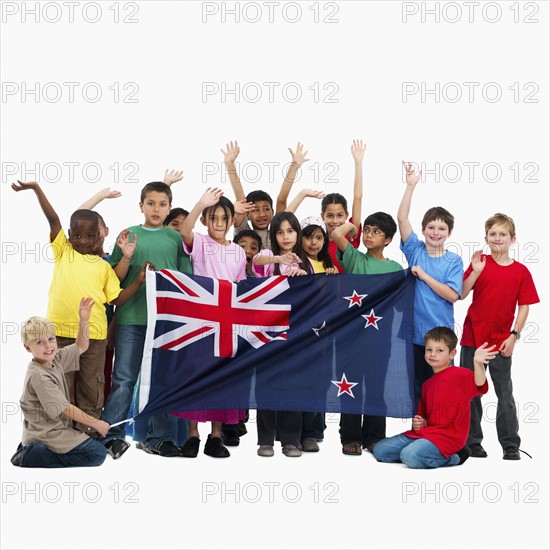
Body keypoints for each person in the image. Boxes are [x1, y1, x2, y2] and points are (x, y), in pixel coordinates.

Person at [11, 181, 144, 435]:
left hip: (94, 337)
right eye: (78, 235)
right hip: (59, 335)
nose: (83, 240)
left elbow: (115, 299)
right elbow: (53, 219)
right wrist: (36, 189)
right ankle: (60, 433)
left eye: (89, 236)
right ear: (70, 235)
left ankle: (89, 433)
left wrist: (137, 282)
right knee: (61, 385)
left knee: (91, 387)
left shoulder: (103, 266)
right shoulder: (63, 252)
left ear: (98, 238)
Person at [100, 181, 192, 459]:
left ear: (169, 207)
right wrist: (128, 260)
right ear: (141, 206)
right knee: (124, 379)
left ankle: (158, 437)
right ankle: (111, 435)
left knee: (159, 381)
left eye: (162, 204)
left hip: (165, 322)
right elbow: (113, 279)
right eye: (151, 203)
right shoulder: (129, 234)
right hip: (131, 319)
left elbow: (186, 279)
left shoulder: (175, 239)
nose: (156, 208)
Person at [175, 187, 247, 458]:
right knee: (196, 375)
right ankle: (192, 435)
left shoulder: (239, 253)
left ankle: (215, 437)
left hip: (227, 323)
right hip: (199, 320)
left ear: (231, 221)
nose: (218, 223)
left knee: (221, 377)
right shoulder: (201, 243)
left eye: (224, 218)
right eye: (213, 217)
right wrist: (200, 203)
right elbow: (184, 230)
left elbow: (240, 285)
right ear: (206, 220)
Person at [461, 213, 539, 460]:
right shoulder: (479, 263)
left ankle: (510, 444)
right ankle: (473, 442)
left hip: (501, 340)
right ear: (486, 237)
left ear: (512, 239)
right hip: (473, 338)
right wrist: (474, 271)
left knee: (504, 393)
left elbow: (524, 305)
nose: (497, 238)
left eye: (502, 234)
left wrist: (514, 335)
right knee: (472, 390)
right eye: (492, 234)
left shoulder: (520, 271)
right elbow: (462, 294)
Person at [331, 212, 403, 455]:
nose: (369, 236)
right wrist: (354, 226)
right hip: (351, 337)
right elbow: (336, 234)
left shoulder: (395, 268)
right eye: (367, 230)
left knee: (375, 388)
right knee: (349, 386)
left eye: (376, 232)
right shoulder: (353, 258)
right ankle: (349, 436)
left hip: (379, 339)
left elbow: (400, 302)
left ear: (389, 240)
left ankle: (374, 436)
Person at [373, 327, 494, 469]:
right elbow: (424, 418)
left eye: (439, 350)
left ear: (452, 354)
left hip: (449, 438)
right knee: (381, 450)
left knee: (410, 456)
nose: (433, 354)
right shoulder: (427, 385)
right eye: (429, 349)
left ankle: (455, 457)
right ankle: (422, 453)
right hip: (426, 434)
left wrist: (478, 364)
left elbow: (480, 386)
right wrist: (421, 422)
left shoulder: (461, 375)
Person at [11, 298, 110, 468]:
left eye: (51, 339)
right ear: (28, 348)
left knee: (96, 450)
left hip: (54, 431)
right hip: (47, 434)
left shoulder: (54, 359)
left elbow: (81, 346)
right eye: (39, 342)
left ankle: (34, 449)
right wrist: (96, 423)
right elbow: (64, 408)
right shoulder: (39, 375)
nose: (48, 345)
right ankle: (34, 454)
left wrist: (84, 320)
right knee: (97, 454)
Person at [397, 162, 463, 406]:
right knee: (418, 388)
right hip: (415, 334)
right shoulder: (415, 250)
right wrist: (410, 186)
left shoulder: (454, 261)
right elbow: (402, 218)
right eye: (431, 227)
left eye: (441, 228)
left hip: (441, 335)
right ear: (423, 229)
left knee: (444, 388)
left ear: (449, 232)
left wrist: (424, 276)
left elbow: (452, 295)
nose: (436, 232)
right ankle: (420, 432)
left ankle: (444, 435)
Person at [252, 211, 312, 457]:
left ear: (297, 233)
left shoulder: (305, 261)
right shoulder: (270, 257)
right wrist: (280, 259)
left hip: (296, 332)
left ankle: (291, 440)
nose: (285, 236)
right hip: (267, 331)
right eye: (279, 232)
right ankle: (265, 440)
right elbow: (256, 260)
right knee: (266, 382)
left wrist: (304, 276)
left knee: (293, 384)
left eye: (290, 231)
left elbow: (313, 295)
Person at [288, 140, 365, 272]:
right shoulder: (313, 240)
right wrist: (303, 193)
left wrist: (358, 162)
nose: (335, 221)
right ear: (322, 216)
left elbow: (358, 197)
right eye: (330, 216)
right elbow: (285, 218)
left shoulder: (349, 235)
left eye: (340, 215)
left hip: (347, 290)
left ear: (346, 215)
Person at [221, 140, 309, 249]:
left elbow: (282, 199)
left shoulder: (277, 232)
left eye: (266, 209)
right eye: (256, 210)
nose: (262, 214)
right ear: (247, 214)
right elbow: (241, 199)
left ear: (272, 213)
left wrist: (294, 166)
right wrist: (230, 165)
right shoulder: (243, 232)